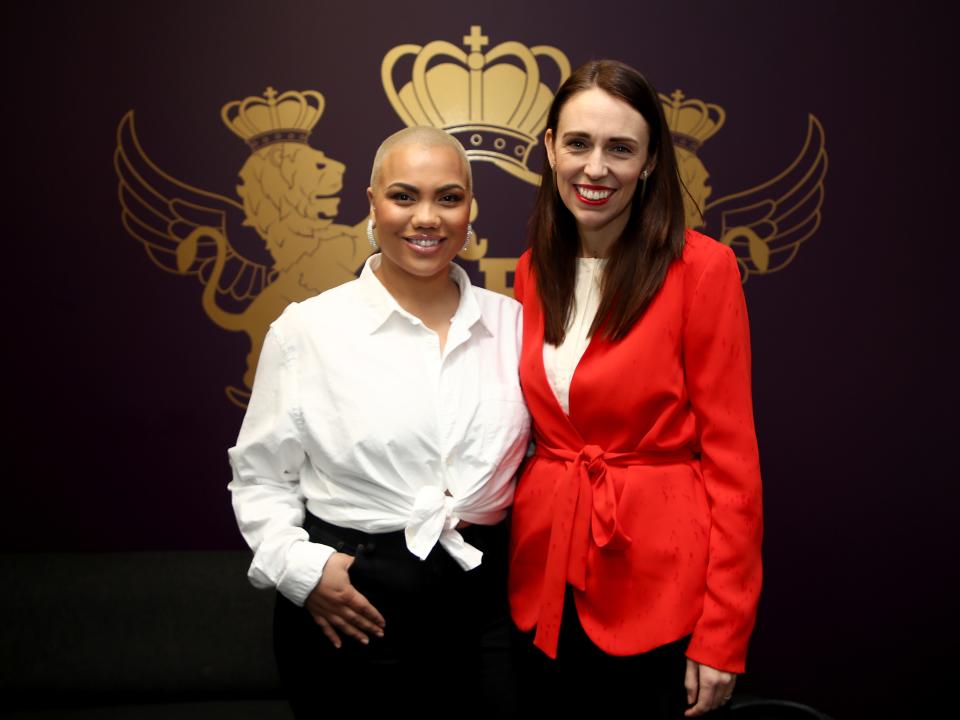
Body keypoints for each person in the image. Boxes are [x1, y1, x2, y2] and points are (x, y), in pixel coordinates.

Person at [228, 126, 530, 717]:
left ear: (471, 209)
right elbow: (261, 476)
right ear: (371, 203)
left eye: (448, 197)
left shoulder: (515, 324)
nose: (427, 217)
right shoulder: (307, 331)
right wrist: (301, 571)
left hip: (489, 603)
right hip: (353, 603)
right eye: (404, 196)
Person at [509, 59, 763, 718]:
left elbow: (734, 466)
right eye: (578, 144)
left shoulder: (703, 270)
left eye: (621, 148)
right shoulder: (533, 270)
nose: (596, 168)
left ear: (650, 162)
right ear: (549, 149)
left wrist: (722, 633)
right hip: (543, 576)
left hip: (658, 583)